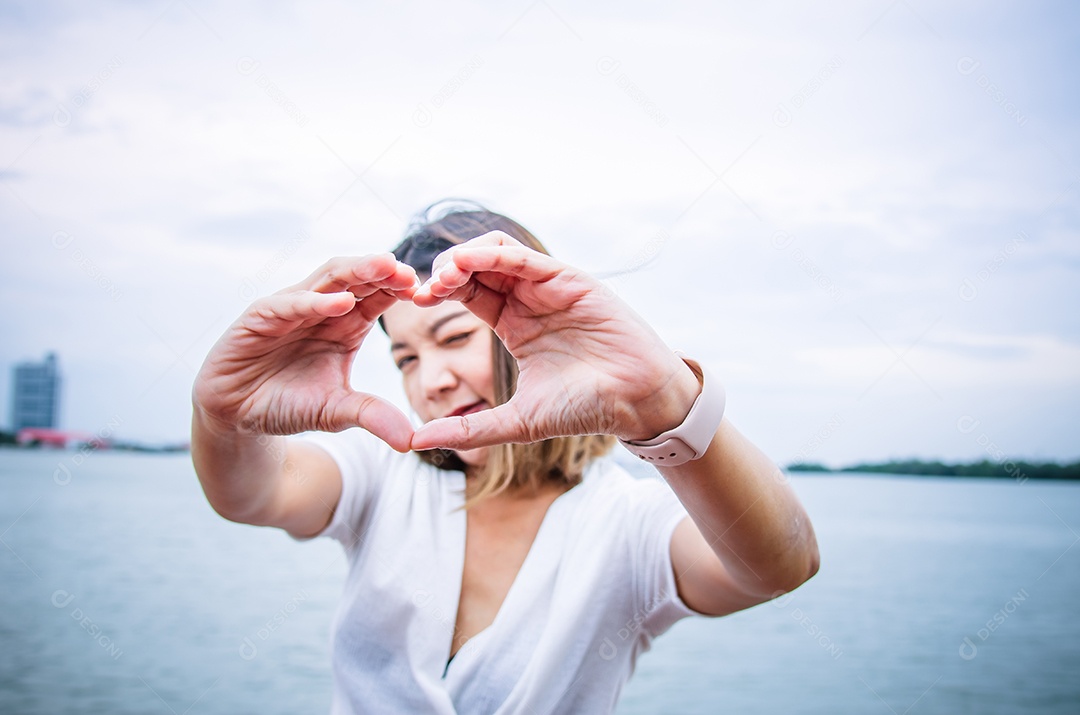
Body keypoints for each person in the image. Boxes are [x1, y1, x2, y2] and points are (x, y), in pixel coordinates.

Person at [191, 200, 819, 714]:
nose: (428, 380)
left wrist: (666, 400)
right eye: (406, 358)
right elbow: (252, 494)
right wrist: (223, 417)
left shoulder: (627, 523)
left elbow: (779, 565)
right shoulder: (381, 478)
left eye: (454, 337)